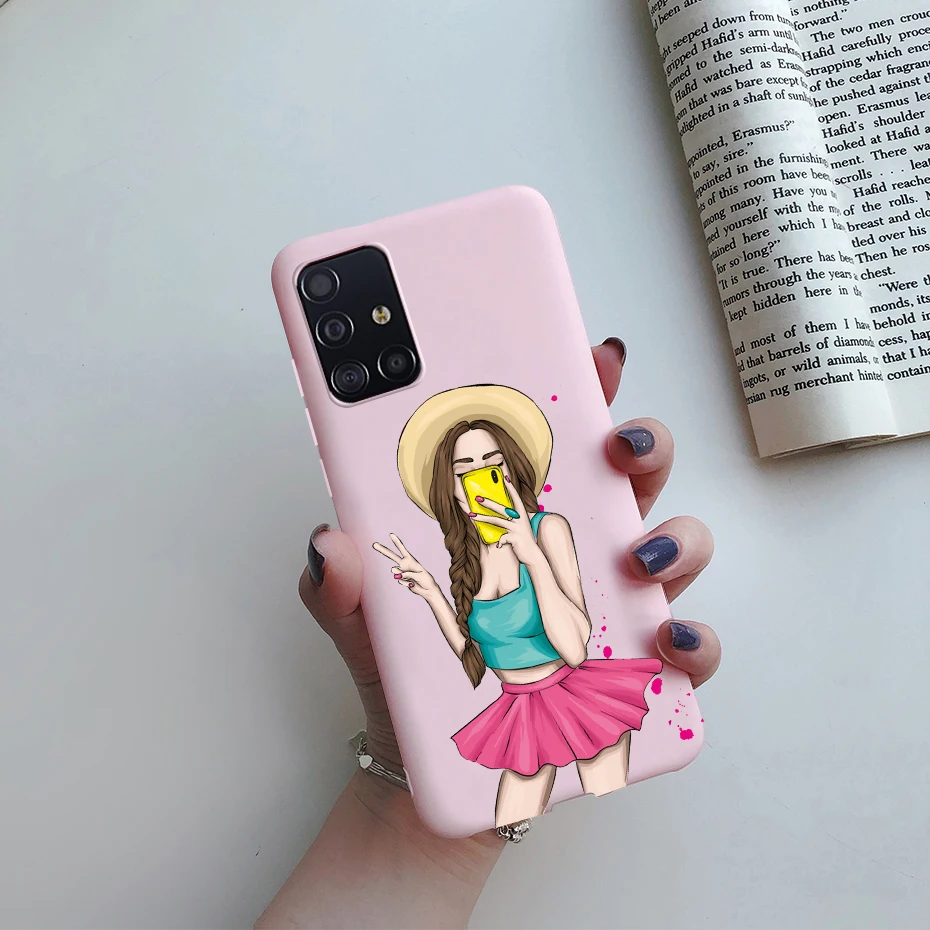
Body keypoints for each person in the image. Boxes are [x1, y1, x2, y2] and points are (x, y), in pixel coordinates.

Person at [256, 339, 721, 930]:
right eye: (464, 471)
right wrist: (430, 590)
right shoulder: (465, 559)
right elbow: (474, 656)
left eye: (492, 464)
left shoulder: (548, 529)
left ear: (513, 468)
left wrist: (531, 554)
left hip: (581, 696)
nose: (481, 479)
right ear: (449, 487)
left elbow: (575, 646)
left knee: (609, 794)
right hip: (516, 707)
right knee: (503, 807)